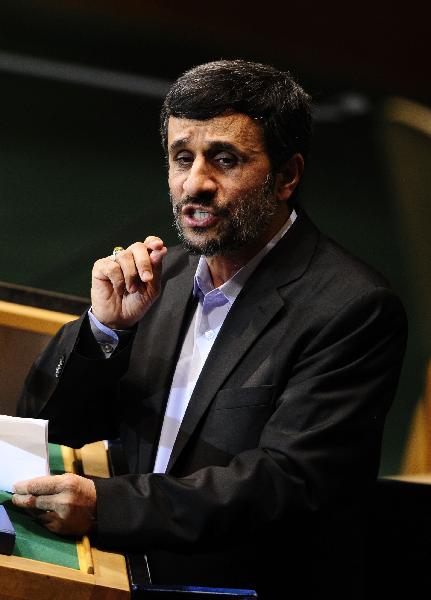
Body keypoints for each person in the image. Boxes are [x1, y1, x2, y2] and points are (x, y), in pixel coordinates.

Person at [13, 60, 407, 598]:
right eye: (182, 158)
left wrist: (107, 506)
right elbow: (48, 428)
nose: (195, 183)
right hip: (118, 567)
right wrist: (104, 330)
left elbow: (283, 485)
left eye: (224, 160)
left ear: (287, 175)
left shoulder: (353, 308)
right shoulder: (163, 276)